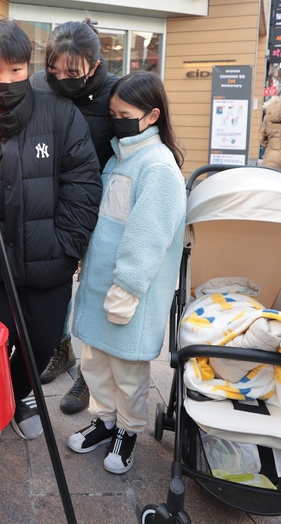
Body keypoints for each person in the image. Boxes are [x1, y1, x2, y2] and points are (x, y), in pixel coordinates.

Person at [0, 19, 102, 447]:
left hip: (49, 266)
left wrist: (65, 248)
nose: (5, 80)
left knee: (41, 348)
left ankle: (13, 397)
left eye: (15, 70)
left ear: (29, 67)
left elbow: (82, 186)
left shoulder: (60, 114)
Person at [67, 72, 186, 474]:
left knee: (128, 371)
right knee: (95, 363)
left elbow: (148, 234)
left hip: (129, 292)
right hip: (102, 283)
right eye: (113, 113)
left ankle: (128, 430)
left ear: (152, 115)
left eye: (125, 114)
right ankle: (104, 421)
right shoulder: (122, 156)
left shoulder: (157, 167)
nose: (116, 120)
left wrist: (128, 286)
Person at [30, 18, 119, 416]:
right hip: (50, 202)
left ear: (95, 66)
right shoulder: (36, 85)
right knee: (57, 280)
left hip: (101, 206)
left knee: (95, 288)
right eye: (54, 69)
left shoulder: (116, 93)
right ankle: (59, 347)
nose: (61, 78)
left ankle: (90, 371)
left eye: (73, 72)